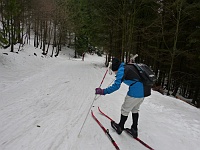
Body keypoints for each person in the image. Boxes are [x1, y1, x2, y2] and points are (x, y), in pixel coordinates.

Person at [95, 58, 144, 138]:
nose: (114, 73)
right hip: (144, 90)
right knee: (135, 109)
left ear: (115, 68)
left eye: (113, 71)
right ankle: (134, 129)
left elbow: (116, 86)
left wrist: (103, 91)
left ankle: (120, 127)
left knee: (125, 109)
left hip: (135, 91)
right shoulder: (125, 66)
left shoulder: (121, 70)